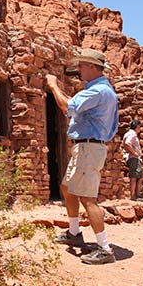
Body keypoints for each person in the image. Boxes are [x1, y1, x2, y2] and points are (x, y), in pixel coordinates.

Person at [46, 48, 118, 265]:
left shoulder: (98, 91)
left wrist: (53, 86)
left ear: (93, 67)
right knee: (68, 188)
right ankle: (75, 233)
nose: (79, 70)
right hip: (85, 148)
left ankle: (105, 249)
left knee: (88, 198)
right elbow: (75, 105)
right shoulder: (98, 91)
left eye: (82, 66)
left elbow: (67, 107)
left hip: (89, 148)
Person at [122, 119, 143, 201]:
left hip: (133, 158)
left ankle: (137, 194)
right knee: (134, 176)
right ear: (138, 126)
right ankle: (134, 195)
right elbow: (127, 143)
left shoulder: (128, 133)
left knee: (137, 176)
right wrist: (134, 153)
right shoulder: (132, 134)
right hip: (133, 158)